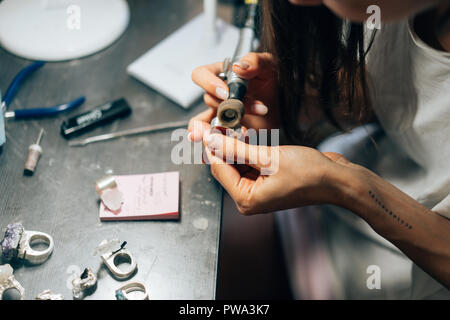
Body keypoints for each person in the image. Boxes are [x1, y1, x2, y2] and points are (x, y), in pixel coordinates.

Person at [188, 0, 450, 299]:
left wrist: (346, 186)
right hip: (344, 204)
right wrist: (298, 100)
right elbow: (409, 96)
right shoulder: (391, 10)